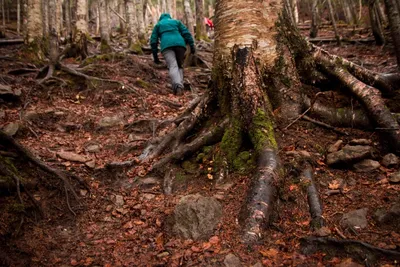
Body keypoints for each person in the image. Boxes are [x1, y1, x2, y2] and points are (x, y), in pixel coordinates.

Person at [150, 13, 195, 95]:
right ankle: (180, 86)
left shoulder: (158, 25)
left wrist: (155, 57)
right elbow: (186, 33)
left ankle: (178, 86)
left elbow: (153, 41)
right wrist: (192, 46)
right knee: (179, 65)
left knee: (172, 65)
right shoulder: (176, 22)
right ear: (169, 17)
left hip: (166, 46)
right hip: (180, 45)